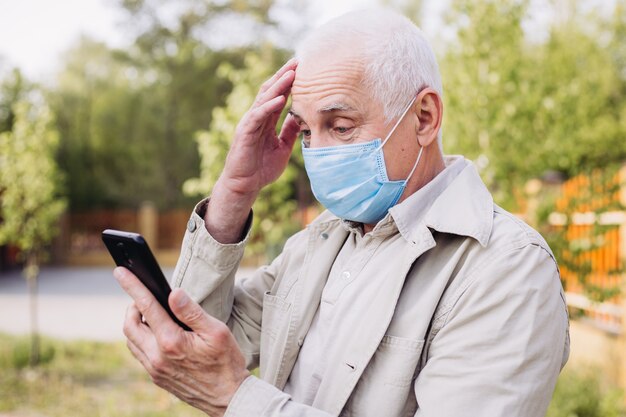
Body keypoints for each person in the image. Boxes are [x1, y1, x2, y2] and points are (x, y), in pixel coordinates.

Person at [113, 8, 570, 417]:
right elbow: (209, 339)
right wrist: (236, 190)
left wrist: (237, 400)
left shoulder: (506, 268)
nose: (317, 153)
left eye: (341, 126)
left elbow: (223, 383)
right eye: (307, 132)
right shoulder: (322, 240)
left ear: (425, 118)